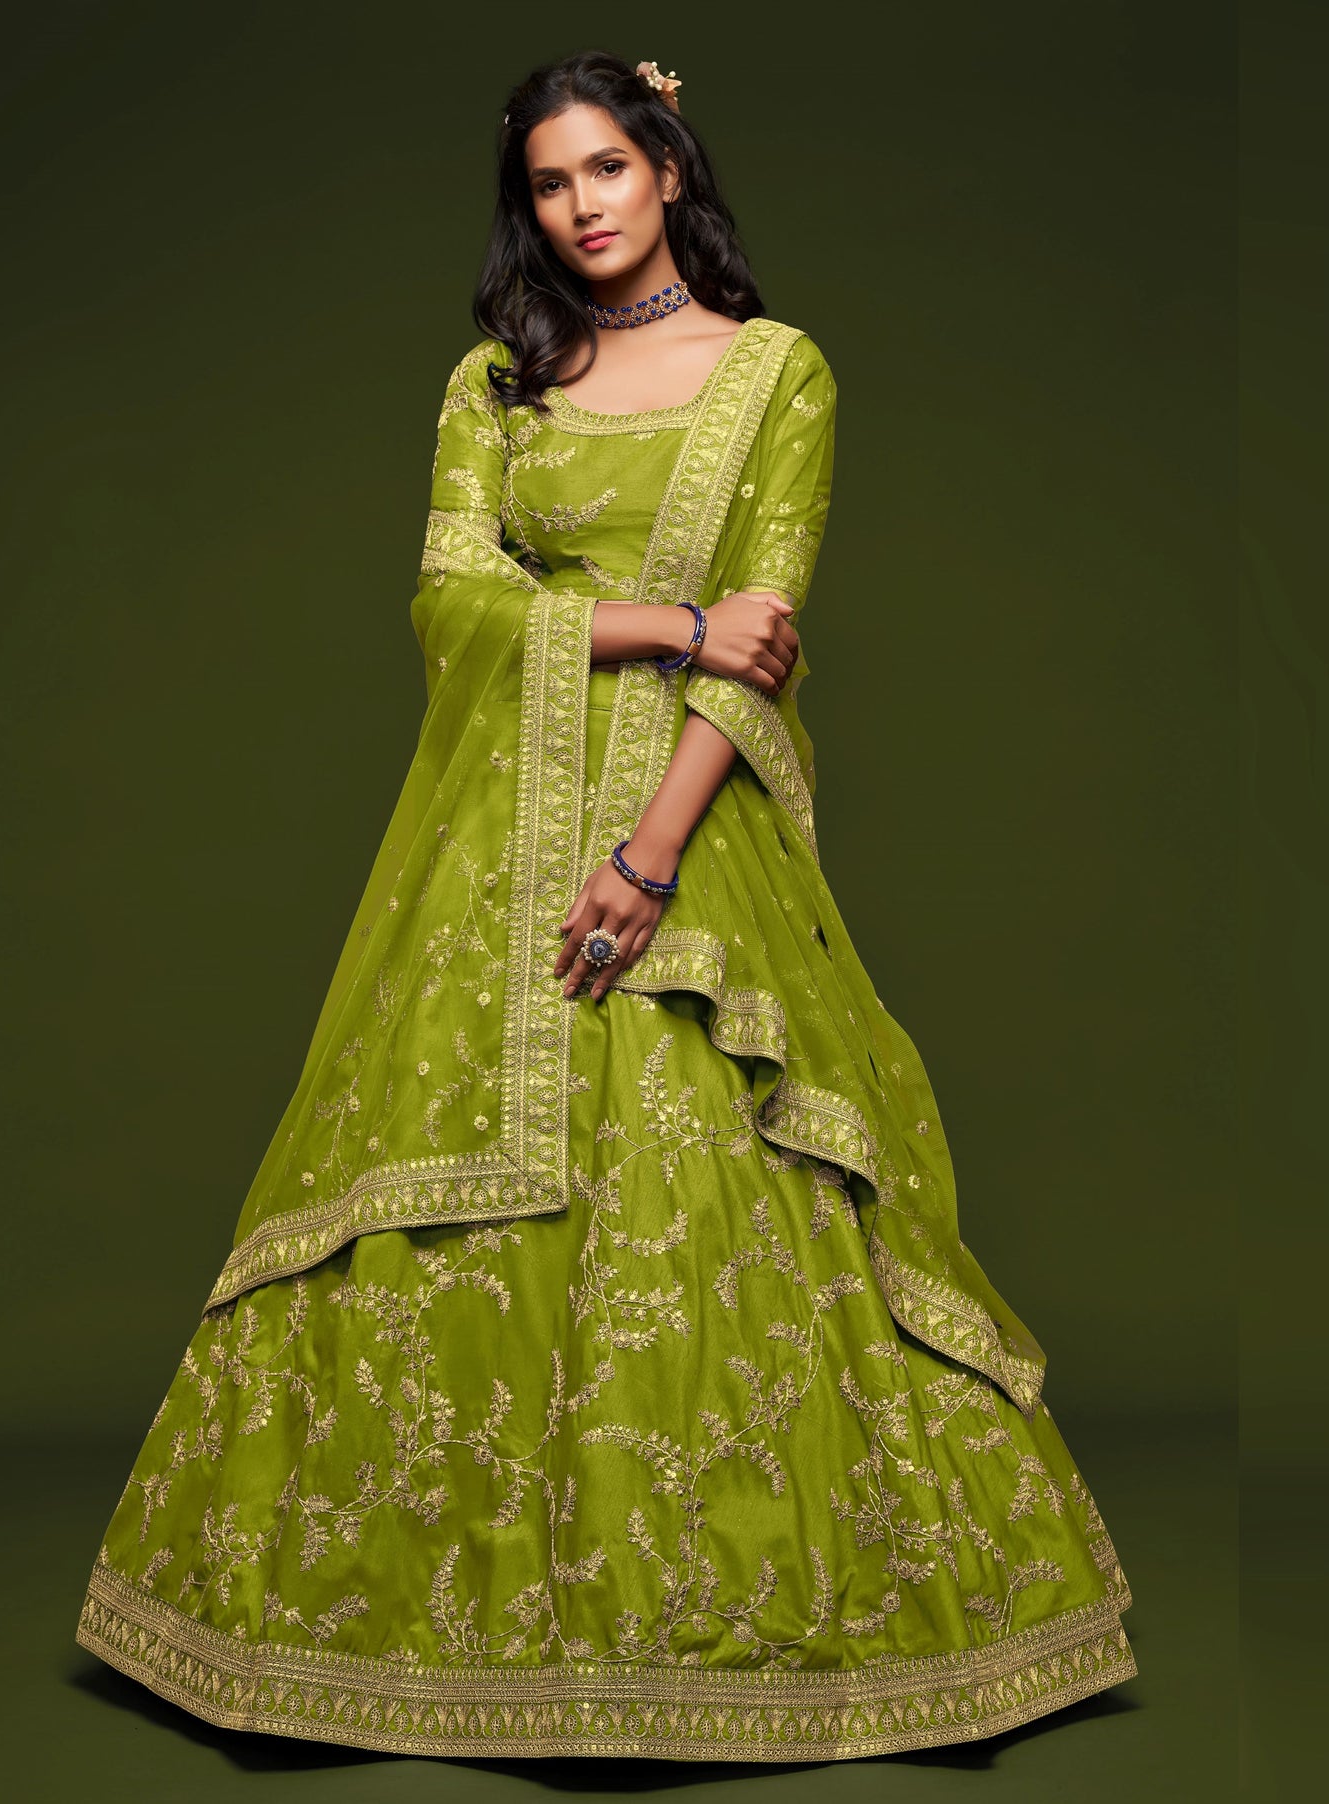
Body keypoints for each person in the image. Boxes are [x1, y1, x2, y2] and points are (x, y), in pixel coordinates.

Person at [75, 48, 1136, 1761]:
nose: (580, 207)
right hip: (490, 829)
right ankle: (434, 1628)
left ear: (665, 168)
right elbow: (447, 594)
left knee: (719, 1174)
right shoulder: (492, 382)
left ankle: (721, 1634)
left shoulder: (775, 372)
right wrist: (659, 624)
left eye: (607, 170)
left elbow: (765, 642)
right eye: (550, 182)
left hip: (687, 827)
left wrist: (646, 858)